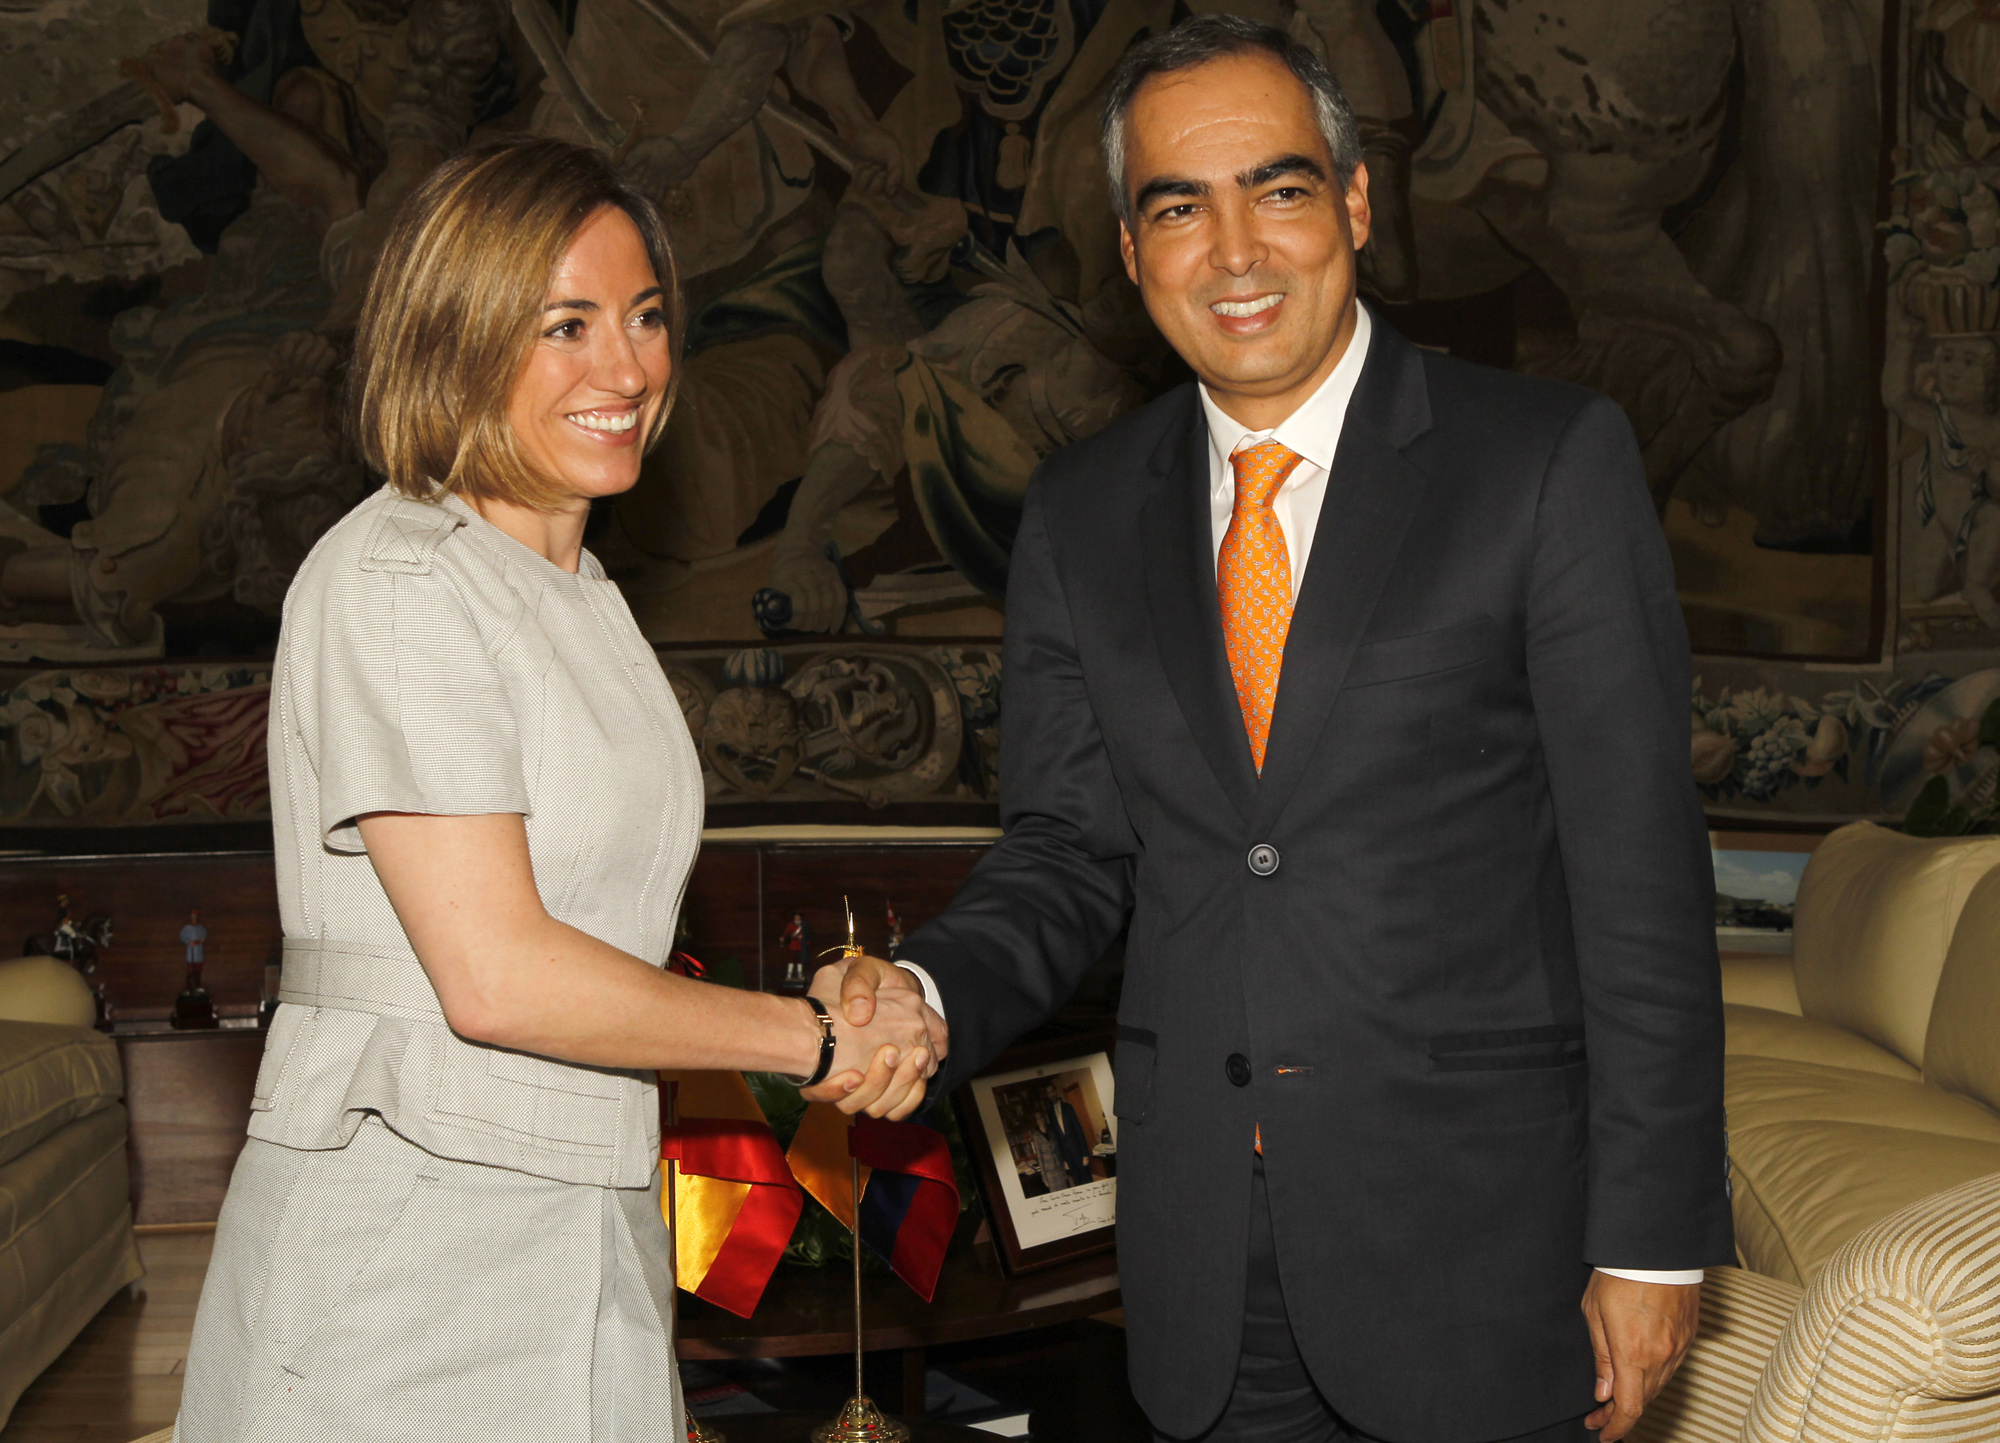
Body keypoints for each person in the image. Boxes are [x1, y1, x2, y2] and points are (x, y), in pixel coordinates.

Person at [816, 17, 1731, 1443]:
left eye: (1279, 190)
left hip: (1484, 1245)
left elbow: (1642, 876)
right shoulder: (1078, 512)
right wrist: (927, 991)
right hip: (1201, 1261)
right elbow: (1067, 852)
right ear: (1133, 250)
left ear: (1356, 205)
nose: (1235, 252)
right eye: (1180, 208)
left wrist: (1655, 1239)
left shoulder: (1546, 460)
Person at [174, 136, 941, 1443]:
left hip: (580, 1212)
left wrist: (846, 1000)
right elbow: (499, 976)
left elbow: (604, 928)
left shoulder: (579, 590)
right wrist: (812, 1041)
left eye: (646, 317)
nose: (627, 369)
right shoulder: (403, 578)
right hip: (406, 1253)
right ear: (456, 338)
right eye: (565, 326)